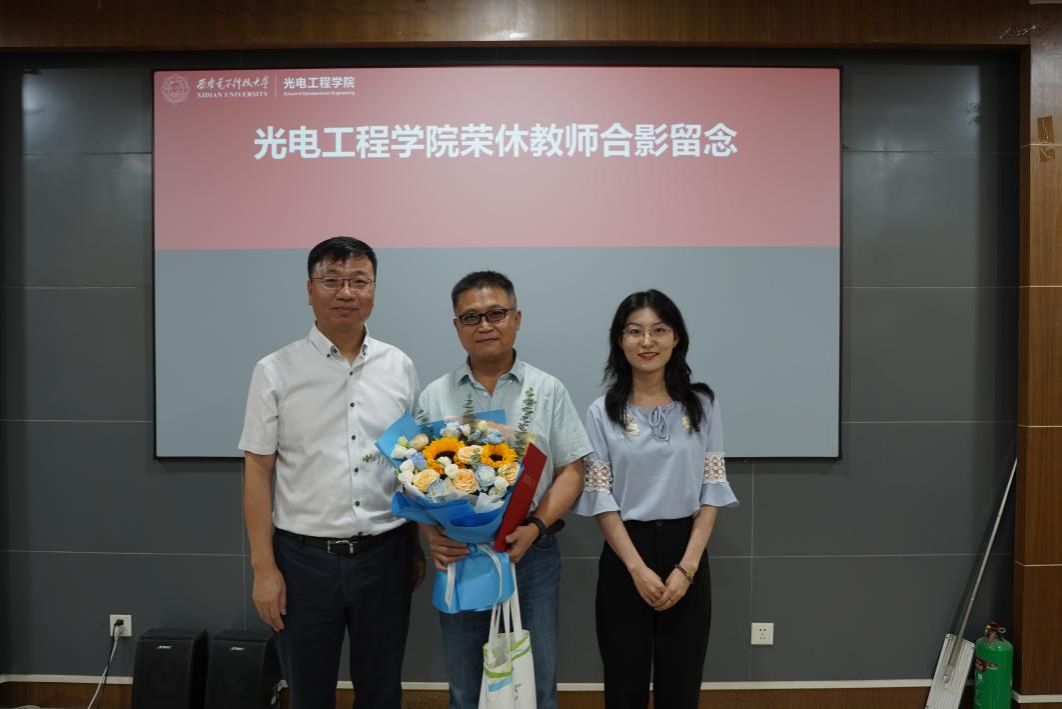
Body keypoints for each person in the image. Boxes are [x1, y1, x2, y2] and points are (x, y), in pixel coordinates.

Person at [239, 236, 425, 709]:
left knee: (382, 691)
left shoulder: (399, 367)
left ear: (374, 290)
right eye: (332, 280)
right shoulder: (275, 370)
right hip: (304, 563)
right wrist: (264, 569)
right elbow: (258, 470)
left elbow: (410, 464)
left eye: (359, 281)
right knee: (308, 694)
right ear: (309, 290)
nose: (346, 292)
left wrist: (414, 545)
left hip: (385, 555)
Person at [417, 271, 592, 709]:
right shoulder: (435, 396)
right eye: (470, 317)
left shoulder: (548, 390)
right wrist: (431, 535)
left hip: (531, 553)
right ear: (457, 326)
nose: (484, 325)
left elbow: (573, 469)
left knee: (534, 679)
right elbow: (417, 480)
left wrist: (536, 526)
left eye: (496, 313)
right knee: (465, 684)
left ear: (517, 318)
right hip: (462, 555)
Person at [575, 289, 739, 709]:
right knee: (624, 684)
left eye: (659, 330)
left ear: (676, 337)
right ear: (620, 340)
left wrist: (687, 568)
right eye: (635, 331)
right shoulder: (601, 412)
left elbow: (712, 489)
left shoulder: (703, 405)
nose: (647, 342)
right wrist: (637, 569)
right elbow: (600, 497)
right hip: (625, 555)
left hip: (687, 552)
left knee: (681, 685)